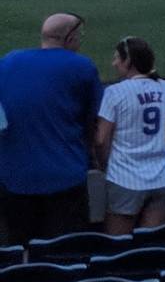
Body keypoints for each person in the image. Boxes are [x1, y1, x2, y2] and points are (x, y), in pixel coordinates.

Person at [0, 13, 101, 241]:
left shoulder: (7, 62)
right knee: (66, 253)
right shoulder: (81, 66)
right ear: (70, 37)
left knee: (22, 251)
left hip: (15, 179)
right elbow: (94, 124)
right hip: (65, 180)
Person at [97, 35, 165, 232]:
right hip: (163, 177)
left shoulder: (115, 92)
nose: (114, 63)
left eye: (117, 58)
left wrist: (105, 166)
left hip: (124, 179)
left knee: (118, 247)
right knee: (149, 246)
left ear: (128, 61)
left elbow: (101, 139)